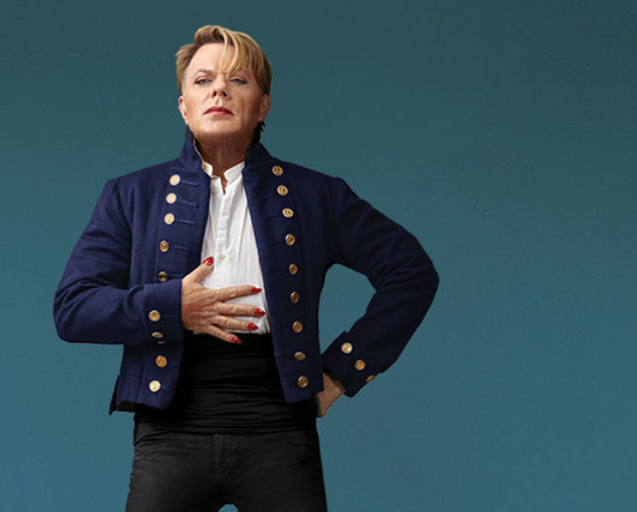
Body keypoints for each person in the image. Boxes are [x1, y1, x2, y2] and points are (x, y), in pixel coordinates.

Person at [53, 25, 438, 512]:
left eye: (238, 80)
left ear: (263, 106)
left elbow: (411, 272)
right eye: (203, 80)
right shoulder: (131, 195)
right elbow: (73, 308)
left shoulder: (317, 195)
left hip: (280, 428)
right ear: (184, 106)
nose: (219, 89)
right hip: (169, 429)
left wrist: (342, 371)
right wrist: (173, 307)